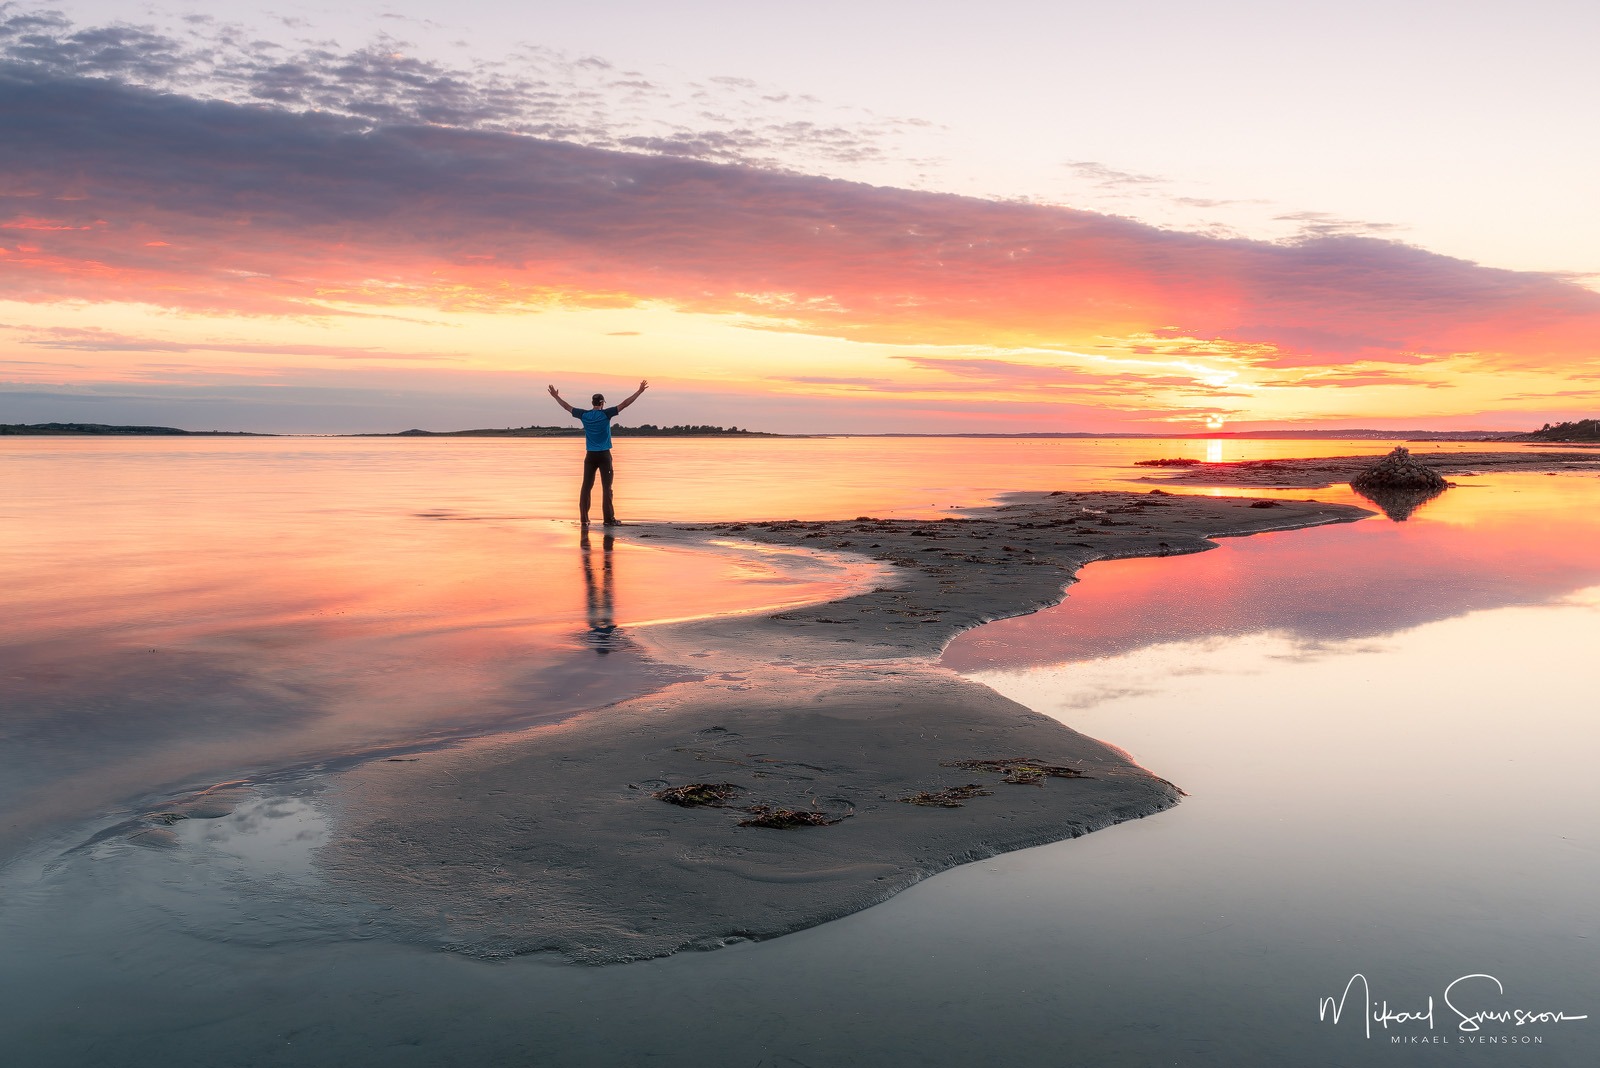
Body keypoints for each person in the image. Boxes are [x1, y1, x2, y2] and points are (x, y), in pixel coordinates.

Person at [547, 380, 648, 526]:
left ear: (592, 402)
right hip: (604, 455)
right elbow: (625, 403)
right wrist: (639, 391)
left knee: (586, 486)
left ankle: (584, 518)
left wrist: (555, 396)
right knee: (606, 487)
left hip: (590, 456)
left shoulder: (584, 415)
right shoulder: (606, 414)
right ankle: (608, 519)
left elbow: (566, 407)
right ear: (601, 403)